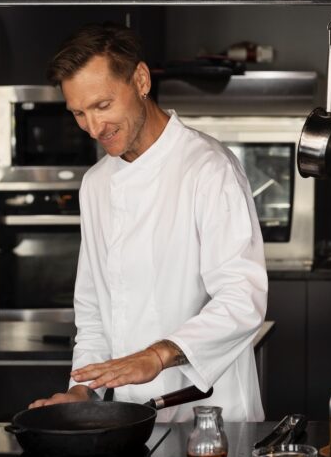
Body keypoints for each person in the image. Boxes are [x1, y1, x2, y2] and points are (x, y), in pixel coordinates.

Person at [28, 23, 268, 421]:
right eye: (79, 113)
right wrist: (83, 390)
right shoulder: (96, 184)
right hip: (130, 418)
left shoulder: (208, 168)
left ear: (140, 80)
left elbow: (242, 300)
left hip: (212, 417)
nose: (93, 128)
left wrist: (157, 356)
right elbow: (93, 308)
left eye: (103, 105)